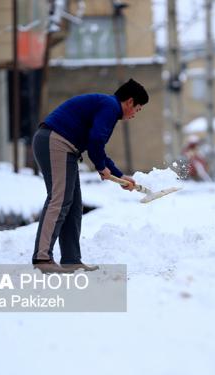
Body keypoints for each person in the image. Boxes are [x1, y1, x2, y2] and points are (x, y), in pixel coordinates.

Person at [32, 79, 148, 273]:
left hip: (63, 147)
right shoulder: (110, 107)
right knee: (59, 200)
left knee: (74, 204)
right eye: (137, 109)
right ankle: (42, 258)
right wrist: (101, 166)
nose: (135, 114)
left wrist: (120, 176)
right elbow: (96, 141)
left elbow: (97, 147)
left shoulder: (107, 106)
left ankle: (71, 259)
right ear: (129, 102)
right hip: (55, 142)